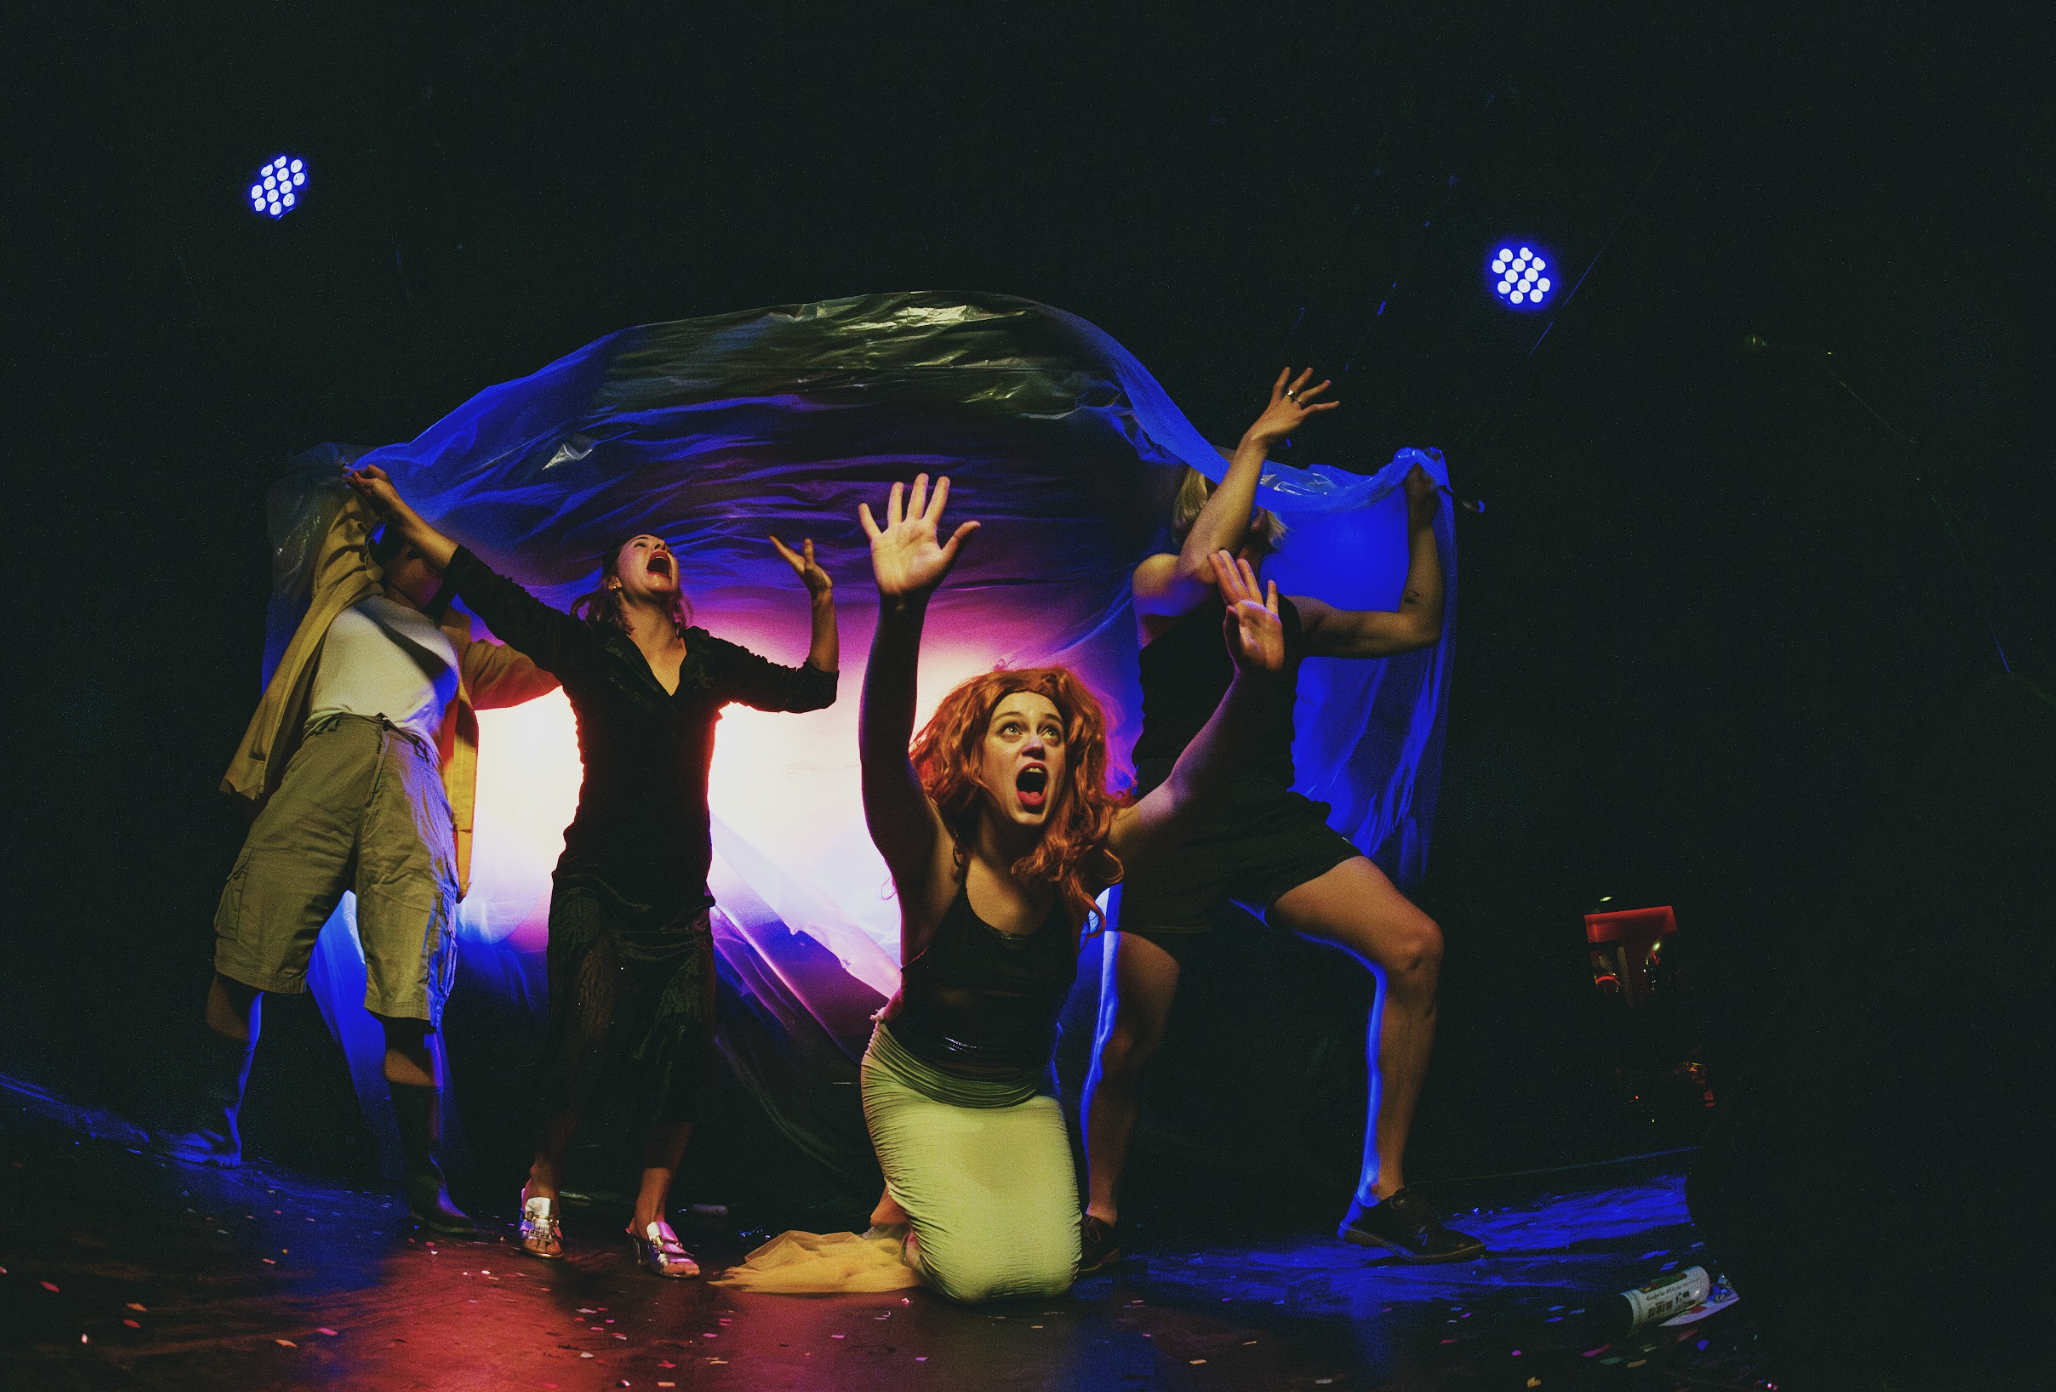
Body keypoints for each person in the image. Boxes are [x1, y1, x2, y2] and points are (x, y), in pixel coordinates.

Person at [745, 472, 1282, 1303]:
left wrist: (1254, 684)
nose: (1035, 743)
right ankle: (908, 1220)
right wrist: (900, 611)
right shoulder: (932, 855)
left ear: (1068, 762)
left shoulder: (1086, 851)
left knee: (1046, 1273)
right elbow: (882, 753)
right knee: (974, 1278)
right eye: (1011, 729)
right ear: (978, 758)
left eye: (1051, 733)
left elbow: (1185, 794)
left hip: (1022, 1092)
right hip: (916, 1085)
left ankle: (908, 1215)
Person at [343, 464, 839, 1278]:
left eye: (666, 543)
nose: (658, 546)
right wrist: (399, 509)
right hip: (596, 886)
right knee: (585, 1035)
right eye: (641, 543)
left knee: (683, 1053)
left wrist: (820, 598)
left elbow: (814, 690)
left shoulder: (709, 661)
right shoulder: (585, 649)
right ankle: (544, 1181)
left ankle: (650, 1220)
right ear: (616, 580)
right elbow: (482, 583)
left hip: (680, 899)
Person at [1079, 368, 1476, 1268]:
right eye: (1231, 487)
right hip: (1169, 826)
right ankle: (1098, 1215)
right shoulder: (1157, 582)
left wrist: (1422, 520)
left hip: (1267, 820)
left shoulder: (1289, 612)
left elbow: (1416, 625)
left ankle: (1382, 1191)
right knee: (1130, 1039)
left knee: (1414, 947)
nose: (1253, 503)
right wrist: (1256, 438)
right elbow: (1190, 571)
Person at [160, 476, 560, 1238]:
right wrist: (382, 487)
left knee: (411, 995)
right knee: (246, 946)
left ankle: (423, 1180)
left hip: (410, 786)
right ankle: (213, 1129)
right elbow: (346, 509)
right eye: (411, 548)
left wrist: (595, 625)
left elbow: (550, 662)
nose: (425, 563)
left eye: (436, 557)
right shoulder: (346, 592)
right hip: (325, 759)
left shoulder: (461, 647)